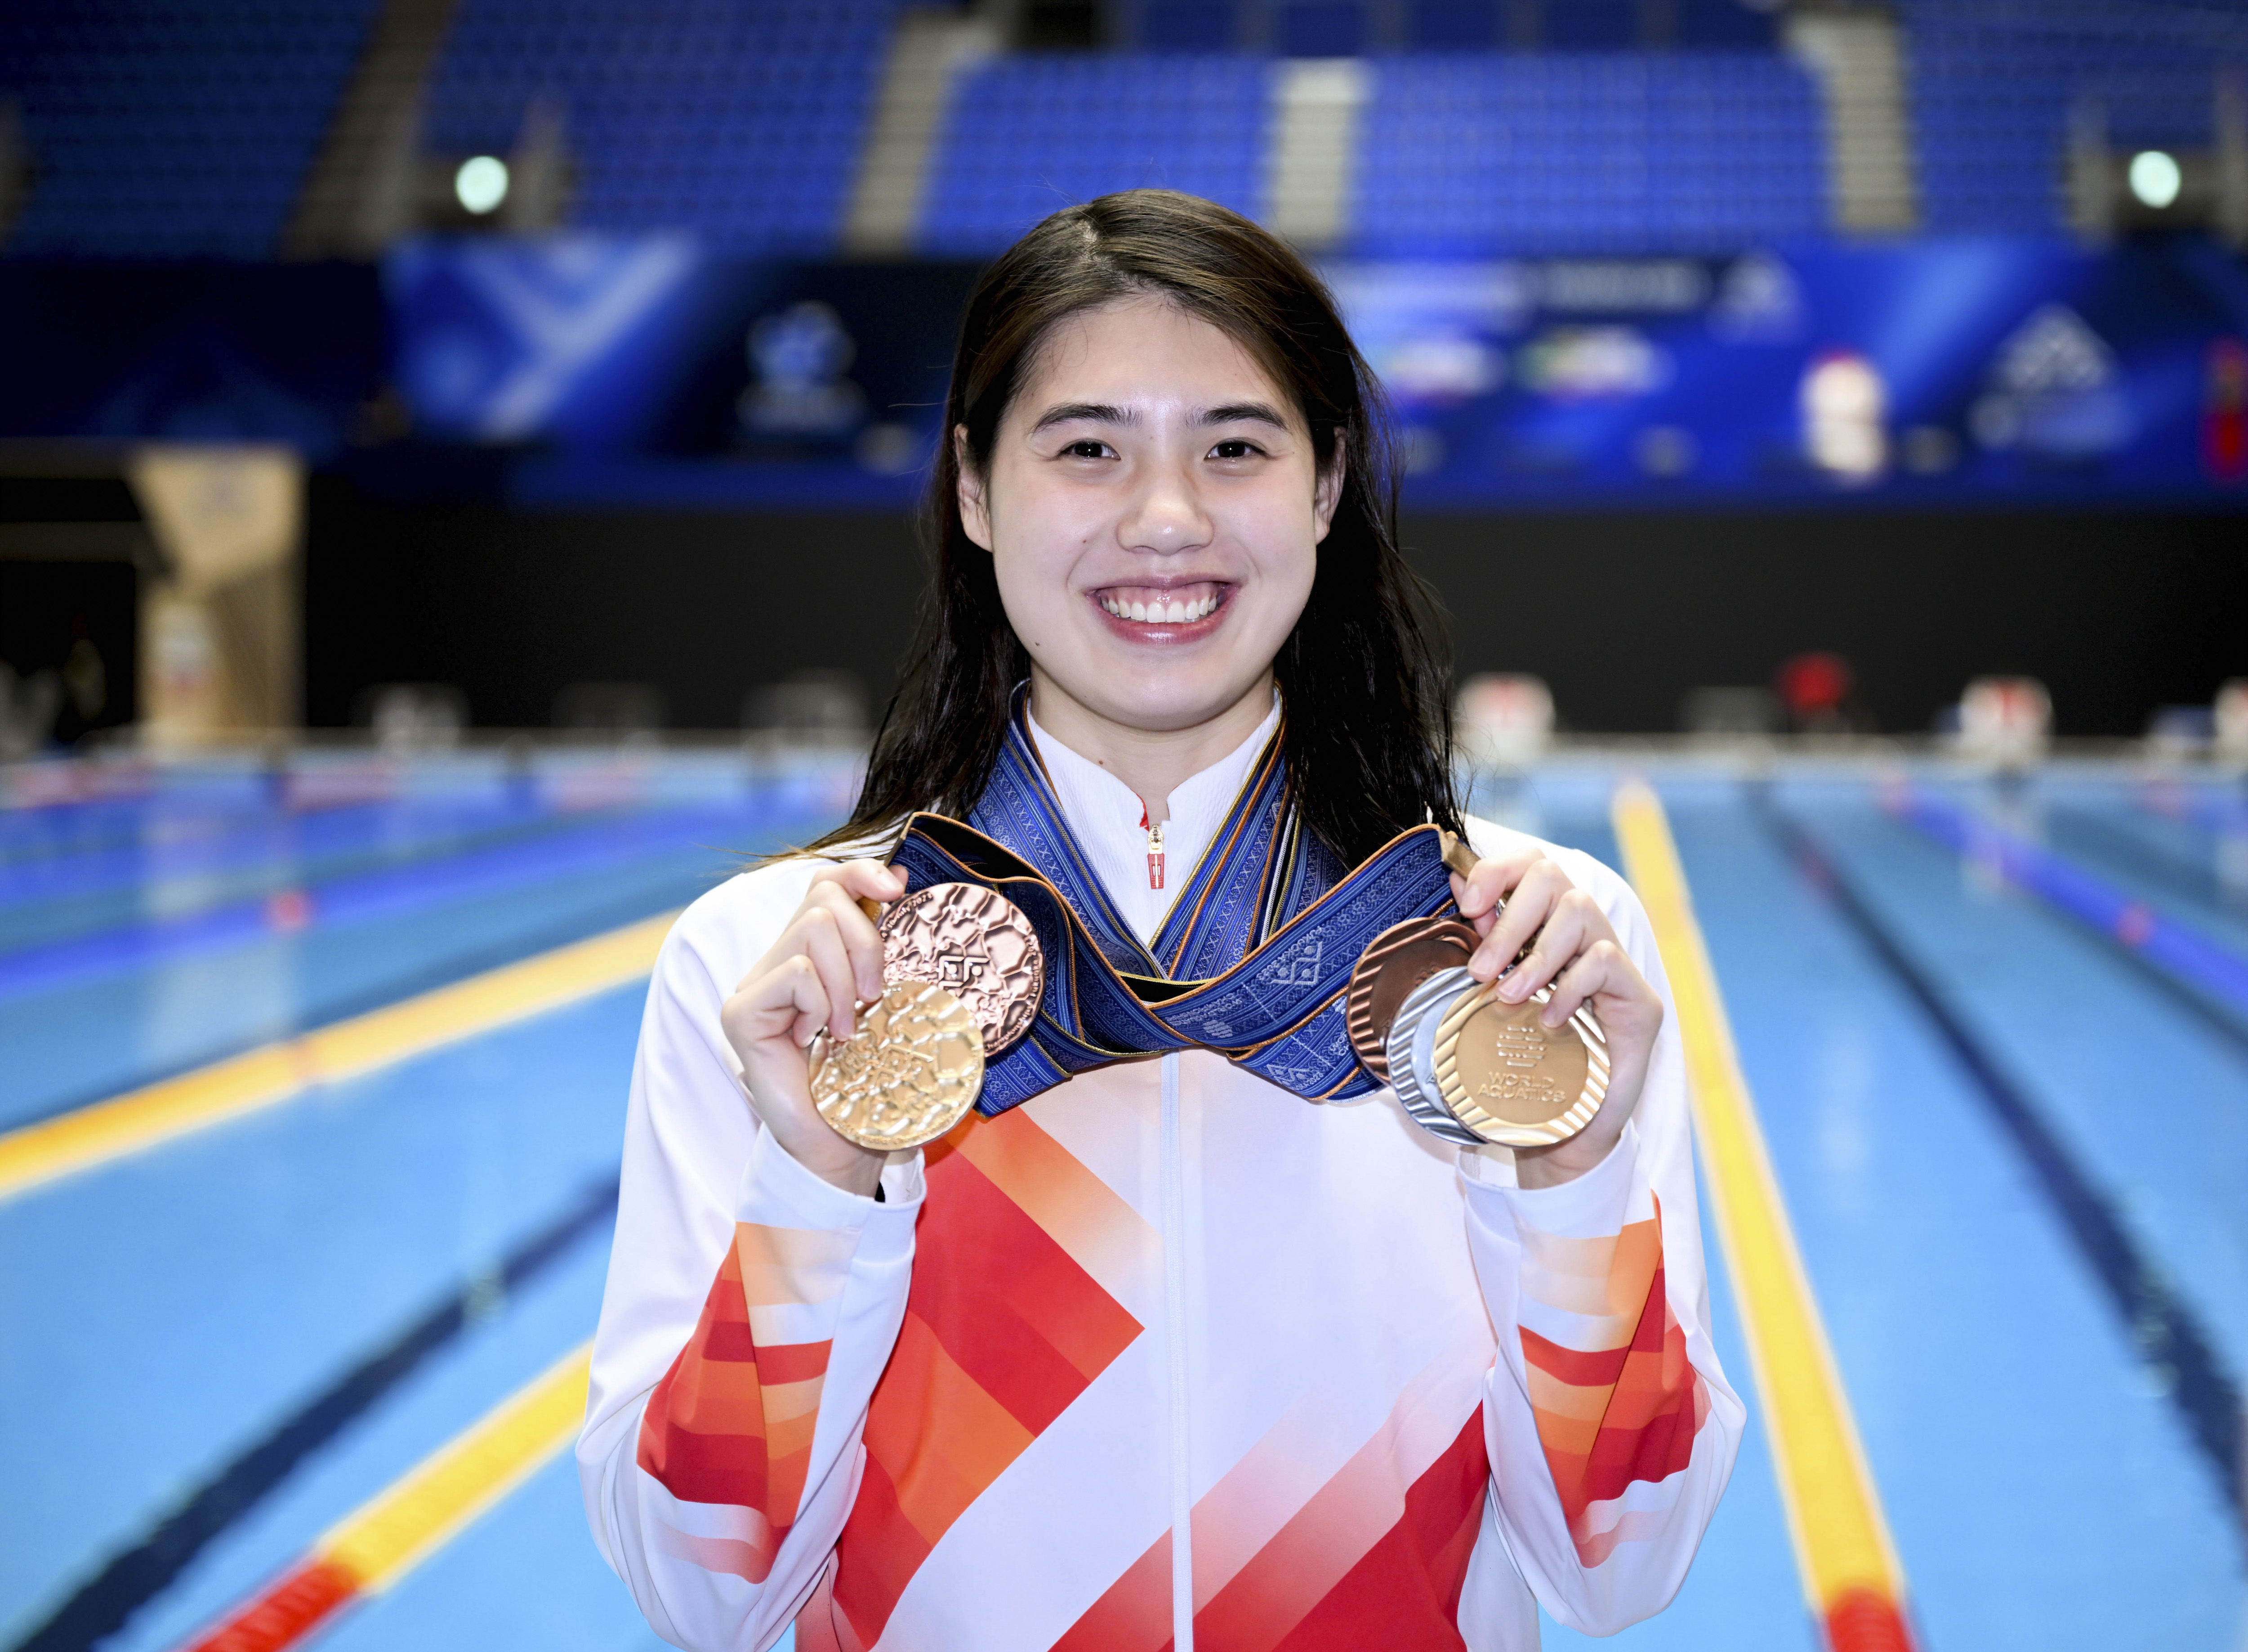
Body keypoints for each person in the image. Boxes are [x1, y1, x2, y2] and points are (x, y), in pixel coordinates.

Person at [579, 189, 1742, 1652]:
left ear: (1327, 487)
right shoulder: (788, 966)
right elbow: (705, 1589)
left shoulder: (1504, 955)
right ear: (976, 489)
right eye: (1088, 449)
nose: (1166, 518)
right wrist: (818, 1176)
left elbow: (1621, 1566)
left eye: (1236, 447)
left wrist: (1572, 1173)